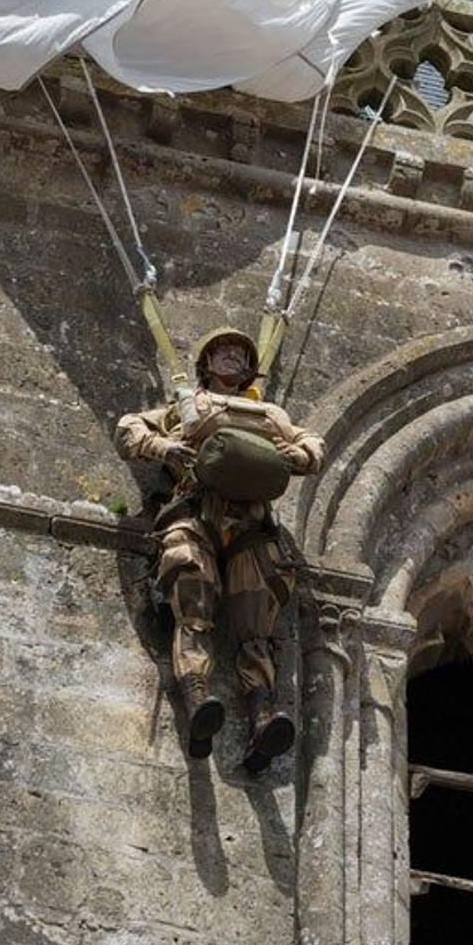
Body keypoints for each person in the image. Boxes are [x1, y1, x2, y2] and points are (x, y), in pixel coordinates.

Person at [115, 327, 325, 773]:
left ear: (248, 367)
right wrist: (163, 447)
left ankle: (262, 717)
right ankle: (197, 700)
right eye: (221, 352)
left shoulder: (270, 414)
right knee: (193, 589)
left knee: (256, 618)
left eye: (238, 353)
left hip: (251, 523)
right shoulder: (187, 405)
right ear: (206, 364)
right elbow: (130, 428)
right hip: (196, 509)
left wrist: (295, 455)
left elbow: (313, 446)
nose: (230, 357)